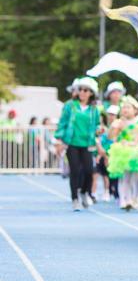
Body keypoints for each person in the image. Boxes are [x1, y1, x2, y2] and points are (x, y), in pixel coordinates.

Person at [55, 77, 102, 211]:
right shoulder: (70, 105)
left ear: (91, 93)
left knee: (89, 170)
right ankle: (75, 198)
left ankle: (84, 192)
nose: (82, 92)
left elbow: (97, 124)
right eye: (80, 89)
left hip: (87, 143)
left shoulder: (94, 109)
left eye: (85, 90)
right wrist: (59, 140)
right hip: (72, 143)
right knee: (75, 170)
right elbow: (63, 122)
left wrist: (99, 129)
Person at [107, 96, 138, 210]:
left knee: (136, 177)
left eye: (128, 107)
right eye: (124, 107)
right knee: (124, 177)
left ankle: (134, 198)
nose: (125, 110)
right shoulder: (119, 122)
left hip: (135, 150)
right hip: (123, 152)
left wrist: (132, 143)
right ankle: (124, 199)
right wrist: (113, 128)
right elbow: (111, 137)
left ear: (135, 110)